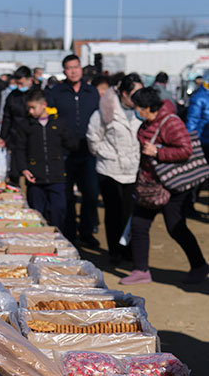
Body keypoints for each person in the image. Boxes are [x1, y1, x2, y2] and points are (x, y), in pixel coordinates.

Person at [121, 87, 208, 285]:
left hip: (171, 186)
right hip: (149, 185)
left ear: (147, 107)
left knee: (175, 227)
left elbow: (185, 150)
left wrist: (158, 152)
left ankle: (199, 265)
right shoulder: (147, 122)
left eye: (137, 108)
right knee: (139, 225)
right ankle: (141, 269)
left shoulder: (171, 123)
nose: (136, 111)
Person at [86, 74, 142, 263]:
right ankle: (114, 251)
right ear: (124, 93)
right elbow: (93, 137)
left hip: (133, 169)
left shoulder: (141, 111)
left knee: (130, 212)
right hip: (109, 169)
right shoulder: (105, 111)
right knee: (113, 212)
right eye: (135, 92)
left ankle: (129, 250)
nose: (139, 96)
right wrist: (104, 154)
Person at [47, 54, 100, 246]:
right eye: (69, 68)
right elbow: (50, 119)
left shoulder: (92, 92)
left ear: (81, 68)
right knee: (66, 195)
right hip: (64, 152)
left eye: (76, 67)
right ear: (64, 71)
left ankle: (87, 232)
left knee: (91, 194)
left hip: (88, 152)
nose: (73, 71)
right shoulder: (55, 93)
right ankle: (69, 233)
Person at [15, 88, 77, 229]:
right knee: (36, 212)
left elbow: (70, 144)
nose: (30, 111)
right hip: (35, 177)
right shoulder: (25, 125)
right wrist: (24, 169)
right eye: (28, 108)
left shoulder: (58, 123)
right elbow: (20, 149)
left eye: (33, 108)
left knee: (58, 210)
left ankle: (58, 237)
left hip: (57, 176)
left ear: (44, 104)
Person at [0, 65, 33, 185]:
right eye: (17, 83)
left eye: (21, 83)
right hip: (15, 135)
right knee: (14, 170)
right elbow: (7, 117)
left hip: (32, 136)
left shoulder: (36, 94)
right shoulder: (12, 96)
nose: (19, 86)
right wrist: (3, 136)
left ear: (30, 80)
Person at [186, 76, 209, 162]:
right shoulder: (199, 97)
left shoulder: (198, 97)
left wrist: (189, 140)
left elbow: (192, 122)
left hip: (202, 140)